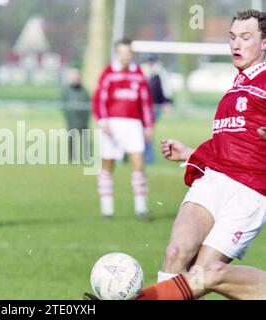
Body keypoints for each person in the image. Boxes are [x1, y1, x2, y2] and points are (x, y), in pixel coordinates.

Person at [83, 104, 266, 301]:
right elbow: (235, 151)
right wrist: (192, 154)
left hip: (249, 194)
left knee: (208, 274)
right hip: (220, 181)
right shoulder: (240, 88)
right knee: (200, 270)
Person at [152, 9, 266, 291]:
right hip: (214, 181)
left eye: (246, 37)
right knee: (175, 254)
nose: (236, 44)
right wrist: (190, 153)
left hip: (249, 193)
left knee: (201, 276)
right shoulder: (236, 87)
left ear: (264, 43)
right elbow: (231, 145)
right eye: (232, 37)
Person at [92, 38, 154, 220]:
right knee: (108, 166)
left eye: (128, 53)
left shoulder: (139, 74)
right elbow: (99, 99)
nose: (125, 56)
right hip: (112, 124)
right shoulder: (108, 73)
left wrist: (148, 126)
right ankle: (107, 210)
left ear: (131, 54)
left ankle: (141, 208)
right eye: (121, 53)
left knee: (139, 164)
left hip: (133, 124)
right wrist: (103, 121)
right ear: (116, 53)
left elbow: (146, 102)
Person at [141, 54, 174, 164]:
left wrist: (167, 102)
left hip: (155, 107)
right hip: (142, 107)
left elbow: (167, 89)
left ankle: (148, 158)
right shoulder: (143, 73)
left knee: (148, 131)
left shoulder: (161, 74)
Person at [61, 67, 90, 163]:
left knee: (85, 139)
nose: (75, 78)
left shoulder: (83, 90)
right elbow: (63, 103)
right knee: (72, 139)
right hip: (72, 119)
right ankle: (73, 158)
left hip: (83, 119)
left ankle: (86, 157)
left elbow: (87, 102)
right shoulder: (66, 90)